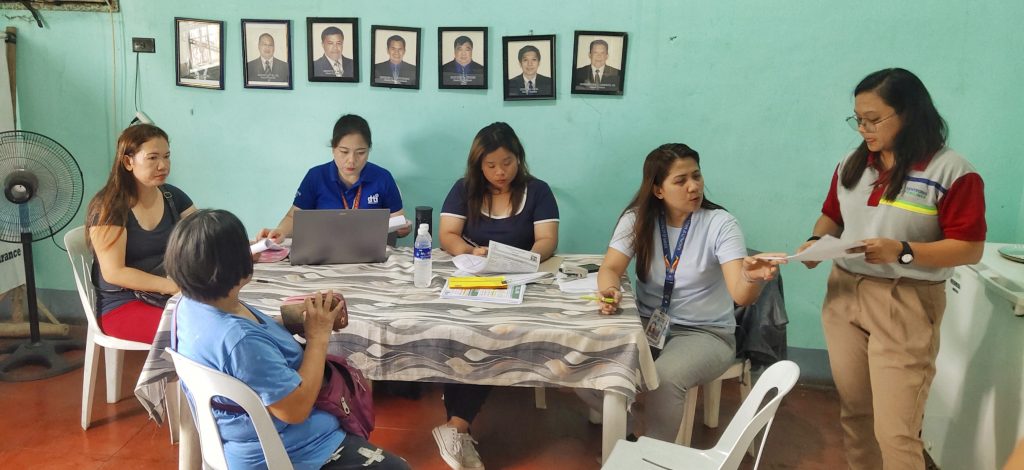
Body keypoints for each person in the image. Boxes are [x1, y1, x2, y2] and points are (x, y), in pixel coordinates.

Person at [799, 68, 985, 469]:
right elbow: (832, 216)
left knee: (896, 432)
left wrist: (901, 251)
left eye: (873, 119)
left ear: (909, 114)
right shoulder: (852, 163)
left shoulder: (952, 171)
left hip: (905, 300)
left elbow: (969, 248)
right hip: (845, 295)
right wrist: (816, 244)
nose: (863, 128)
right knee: (855, 415)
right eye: (858, 119)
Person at [167, 209, 410, 470]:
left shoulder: (190, 305)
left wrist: (295, 320)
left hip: (242, 440)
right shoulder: (239, 341)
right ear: (233, 267)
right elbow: (295, 410)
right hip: (289, 452)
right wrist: (318, 337)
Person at [594, 143, 782, 442]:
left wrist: (752, 276)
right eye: (680, 181)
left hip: (706, 333)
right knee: (588, 360)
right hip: (646, 324)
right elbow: (611, 268)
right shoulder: (637, 220)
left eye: (696, 176)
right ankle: (628, 431)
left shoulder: (720, 224)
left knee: (666, 378)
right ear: (658, 190)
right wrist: (609, 291)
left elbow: (741, 295)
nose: (693, 187)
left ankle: (652, 456)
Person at [434, 122, 559, 470]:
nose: (500, 172)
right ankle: (457, 427)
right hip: (474, 280)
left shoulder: (538, 191)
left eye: (507, 162)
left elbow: (547, 240)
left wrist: (528, 260)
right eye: (490, 165)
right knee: (460, 332)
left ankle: (456, 427)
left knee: (490, 334)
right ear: (478, 165)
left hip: (519, 282)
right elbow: (448, 235)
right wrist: (468, 253)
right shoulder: (464, 189)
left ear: (519, 158)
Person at [86, 124, 196, 343]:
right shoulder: (109, 208)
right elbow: (114, 273)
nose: (163, 165)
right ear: (128, 162)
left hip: (169, 297)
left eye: (166, 156)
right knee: (197, 333)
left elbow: (205, 237)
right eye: (152, 158)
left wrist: (246, 249)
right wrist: (172, 287)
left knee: (232, 318)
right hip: (122, 305)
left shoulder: (172, 197)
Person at [259, 114, 411, 242]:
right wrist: (280, 232)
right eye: (344, 152)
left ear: (369, 150)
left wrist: (404, 228)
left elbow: (398, 220)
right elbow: (294, 217)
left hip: (370, 253)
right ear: (333, 149)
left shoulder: (382, 177)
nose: (351, 160)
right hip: (323, 252)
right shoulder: (316, 177)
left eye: (360, 152)